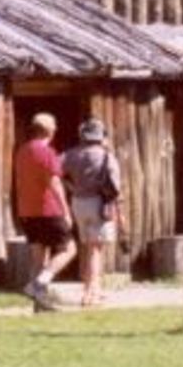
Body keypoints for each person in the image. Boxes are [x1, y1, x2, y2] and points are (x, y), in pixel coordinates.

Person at [13, 112, 76, 311]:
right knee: (68, 249)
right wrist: (66, 211)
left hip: (27, 211)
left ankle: (39, 306)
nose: (56, 129)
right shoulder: (46, 152)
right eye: (55, 126)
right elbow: (54, 182)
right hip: (48, 209)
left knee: (39, 257)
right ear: (49, 130)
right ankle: (38, 284)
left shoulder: (22, 151)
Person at [62, 117, 125, 308]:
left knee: (87, 247)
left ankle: (89, 288)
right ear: (101, 136)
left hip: (78, 202)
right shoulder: (107, 156)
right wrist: (120, 211)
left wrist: (71, 187)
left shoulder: (71, 154)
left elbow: (55, 173)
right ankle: (92, 293)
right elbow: (115, 186)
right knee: (96, 249)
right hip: (99, 203)